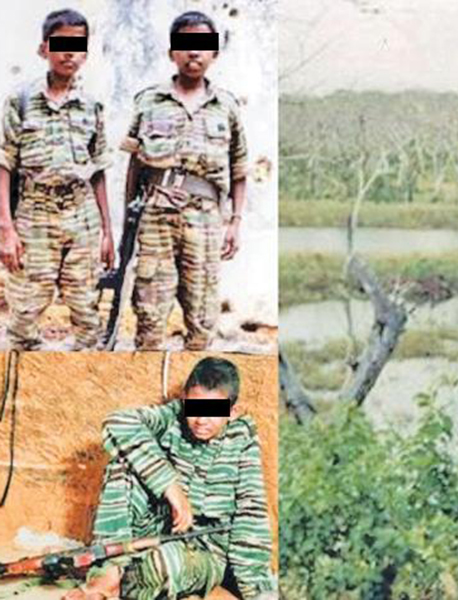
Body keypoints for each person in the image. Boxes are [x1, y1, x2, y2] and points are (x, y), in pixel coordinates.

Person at [64, 357, 276, 600]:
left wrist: (256, 593)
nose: (201, 420)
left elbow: (251, 516)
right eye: (195, 408)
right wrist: (170, 485)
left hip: (203, 551)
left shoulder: (242, 440)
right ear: (185, 401)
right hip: (152, 532)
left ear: (232, 412)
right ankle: (109, 574)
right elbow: (117, 422)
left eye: (214, 412)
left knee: (162, 565)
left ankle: (127, 581)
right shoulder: (171, 417)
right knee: (123, 463)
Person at [122, 10, 247, 351]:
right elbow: (135, 166)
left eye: (202, 45)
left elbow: (239, 169)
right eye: (186, 44)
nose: (194, 52)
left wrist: (234, 223)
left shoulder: (227, 107)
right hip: (155, 215)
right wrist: (127, 224)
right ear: (171, 52)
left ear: (214, 54)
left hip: (205, 220)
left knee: (203, 316)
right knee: (149, 312)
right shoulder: (149, 101)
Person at [0, 8, 114, 350]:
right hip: (35, 214)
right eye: (61, 43)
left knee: (87, 315)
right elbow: (4, 164)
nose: (69, 53)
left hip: (82, 215)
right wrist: (6, 229)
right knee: (24, 314)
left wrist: (108, 231)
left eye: (78, 46)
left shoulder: (92, 105)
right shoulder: (20, 101)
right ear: (43, 48)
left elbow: (99, 171)